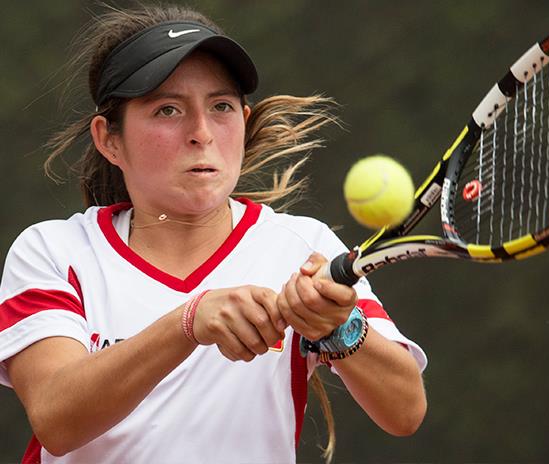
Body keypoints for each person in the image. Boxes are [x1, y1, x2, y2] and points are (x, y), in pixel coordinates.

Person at [0, 4, 427, 463]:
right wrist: (189, 322)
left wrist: (339, 328)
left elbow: (405, 411)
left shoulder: (304, 248)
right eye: (167, 109)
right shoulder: (53, 251)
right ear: (109, 139)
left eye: (221, 106)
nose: (202, 132)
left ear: (243, 120)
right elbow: (56, 420)